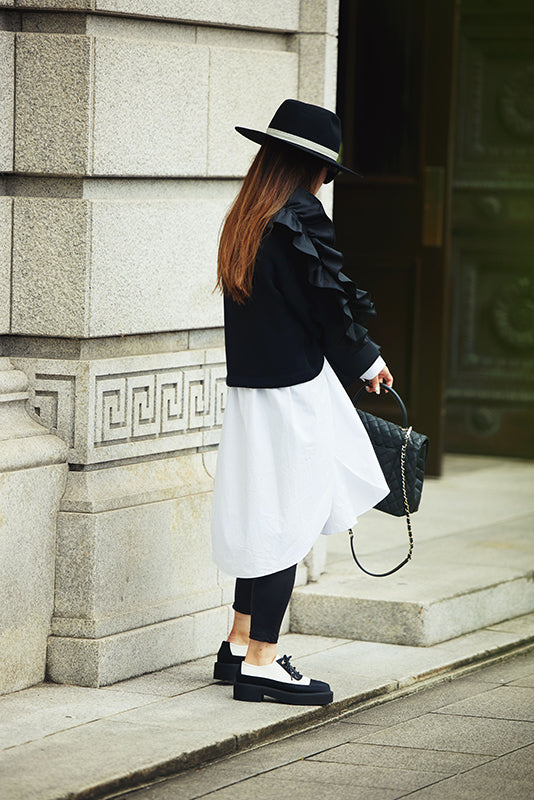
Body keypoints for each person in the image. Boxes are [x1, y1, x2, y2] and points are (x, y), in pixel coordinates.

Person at [211, 99, 393, 706]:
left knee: (263, 508)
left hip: (254, 391)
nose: (326, 182)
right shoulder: (299, 216)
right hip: (291, 391)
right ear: (312, 167)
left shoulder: (250, 214)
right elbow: (328, 304)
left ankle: (239, 643)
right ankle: (263, 659)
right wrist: (367, 359)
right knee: (286, 518)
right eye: (327, 170)